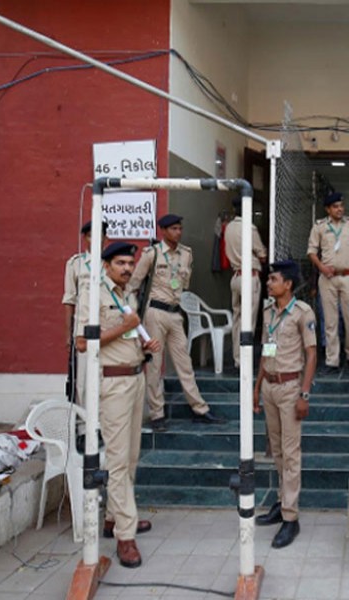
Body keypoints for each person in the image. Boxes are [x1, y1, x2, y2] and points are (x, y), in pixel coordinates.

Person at [75, 241, 161, 568]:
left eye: (130, 263)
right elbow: (83, 341)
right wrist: (122, 328)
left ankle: (114, 517)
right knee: (118, 459)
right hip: (112, 383)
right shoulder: (93, 293)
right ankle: (125, 537)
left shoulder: (127, 294)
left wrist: (142, 341)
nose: (127, 268)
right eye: (121, 263)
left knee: (131, 454)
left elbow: (125, 334)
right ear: (107, 265)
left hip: (135, 377)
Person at [129, 214, 224, 429]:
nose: (178, 232)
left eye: (180, 228)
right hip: (155, 313)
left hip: (175, 313)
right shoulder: (151, 254)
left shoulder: (186, 254)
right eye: (173, 229)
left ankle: (199, 408)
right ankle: (157, 414)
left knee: (184, 363)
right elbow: (133, 284)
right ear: (163, 231)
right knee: (154, 365)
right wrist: (133, 316)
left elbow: (184, 284)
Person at [253, 260, 317, 549]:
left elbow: (312, 354)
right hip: (269, 385)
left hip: (291, 387)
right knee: (276, 450)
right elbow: (266, 350)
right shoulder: (268, 311)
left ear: (288, 284)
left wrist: (305, 394)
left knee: (291, 453)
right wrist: (256, 388)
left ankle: (291, 518)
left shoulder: (303, 313)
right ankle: (281, 502)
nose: (269, 283)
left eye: (274, 279)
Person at [307, 192, 349, 373]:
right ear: (328, 209)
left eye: (341, 205)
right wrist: (321, 267)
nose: (340, 209)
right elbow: (311, 252)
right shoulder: (320, 227)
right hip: (327, 279)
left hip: (348, 276)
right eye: (335, 206)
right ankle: (332, 360)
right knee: (330, 321)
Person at [61, 220, 110, 405]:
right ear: (86, 238)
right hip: (83, 329)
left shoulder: (113, 263)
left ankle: (102, 424)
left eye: (100, 234)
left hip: (108, 328)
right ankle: (83, 427)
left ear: (106, 238)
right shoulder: (76, 264)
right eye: (91, 235)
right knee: (82, 380)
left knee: (106, 377)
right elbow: (69, 300)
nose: (96, 238)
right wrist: (68, 334)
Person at [224, 197, 268, 371]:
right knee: (248, 321)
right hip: (249, 277)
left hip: (235, 277)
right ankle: (245, 359)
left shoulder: (229, 227)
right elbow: (262, 254)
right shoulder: (249, 228)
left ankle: (237, 359)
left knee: (237, 319)